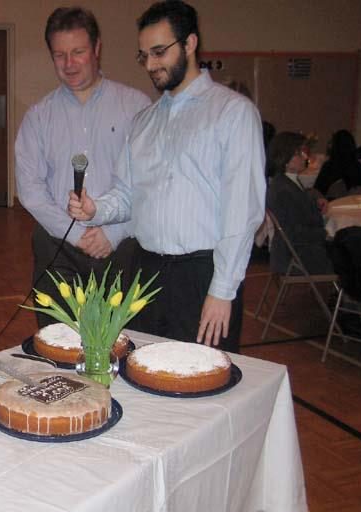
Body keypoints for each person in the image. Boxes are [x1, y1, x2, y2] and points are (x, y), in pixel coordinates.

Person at [68, 0, 266, 353]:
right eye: (144, 56)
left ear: (190, 43)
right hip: (146, 272)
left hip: (202, 274)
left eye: (159, 52)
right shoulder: (143, 122)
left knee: (200, 374)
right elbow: (128, 195)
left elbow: (242, 212)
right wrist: (95, 208)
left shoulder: (233, 113)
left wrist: (223, 291)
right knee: (142, 368)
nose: (150, 65)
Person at [15, 6, 151, 328]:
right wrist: (77, 235)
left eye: (78, 52)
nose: (69, 64)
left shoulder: (136, 107)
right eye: (59, 55)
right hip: (59, 246)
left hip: (122, 244)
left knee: (121, 342)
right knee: (57, 341)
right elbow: (31, 191)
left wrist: (113, 233)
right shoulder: (38, 117)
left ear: (97, 48)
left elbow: (149, 184)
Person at [265, 132, 334, 275]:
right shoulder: (283, 190)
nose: (305, 157)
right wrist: (325, 233)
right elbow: (294, 232)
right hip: (297, 256)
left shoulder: (286, 182)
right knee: (351, 251)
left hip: (298, 251)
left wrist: (315, 200)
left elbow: (300, 203)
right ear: (285, 158)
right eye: (299, 153)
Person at [313, 129, 361, 197]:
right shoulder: (359, 167)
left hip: (332, 201)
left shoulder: (328, 167)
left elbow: (317, 191)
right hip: (354, 201)